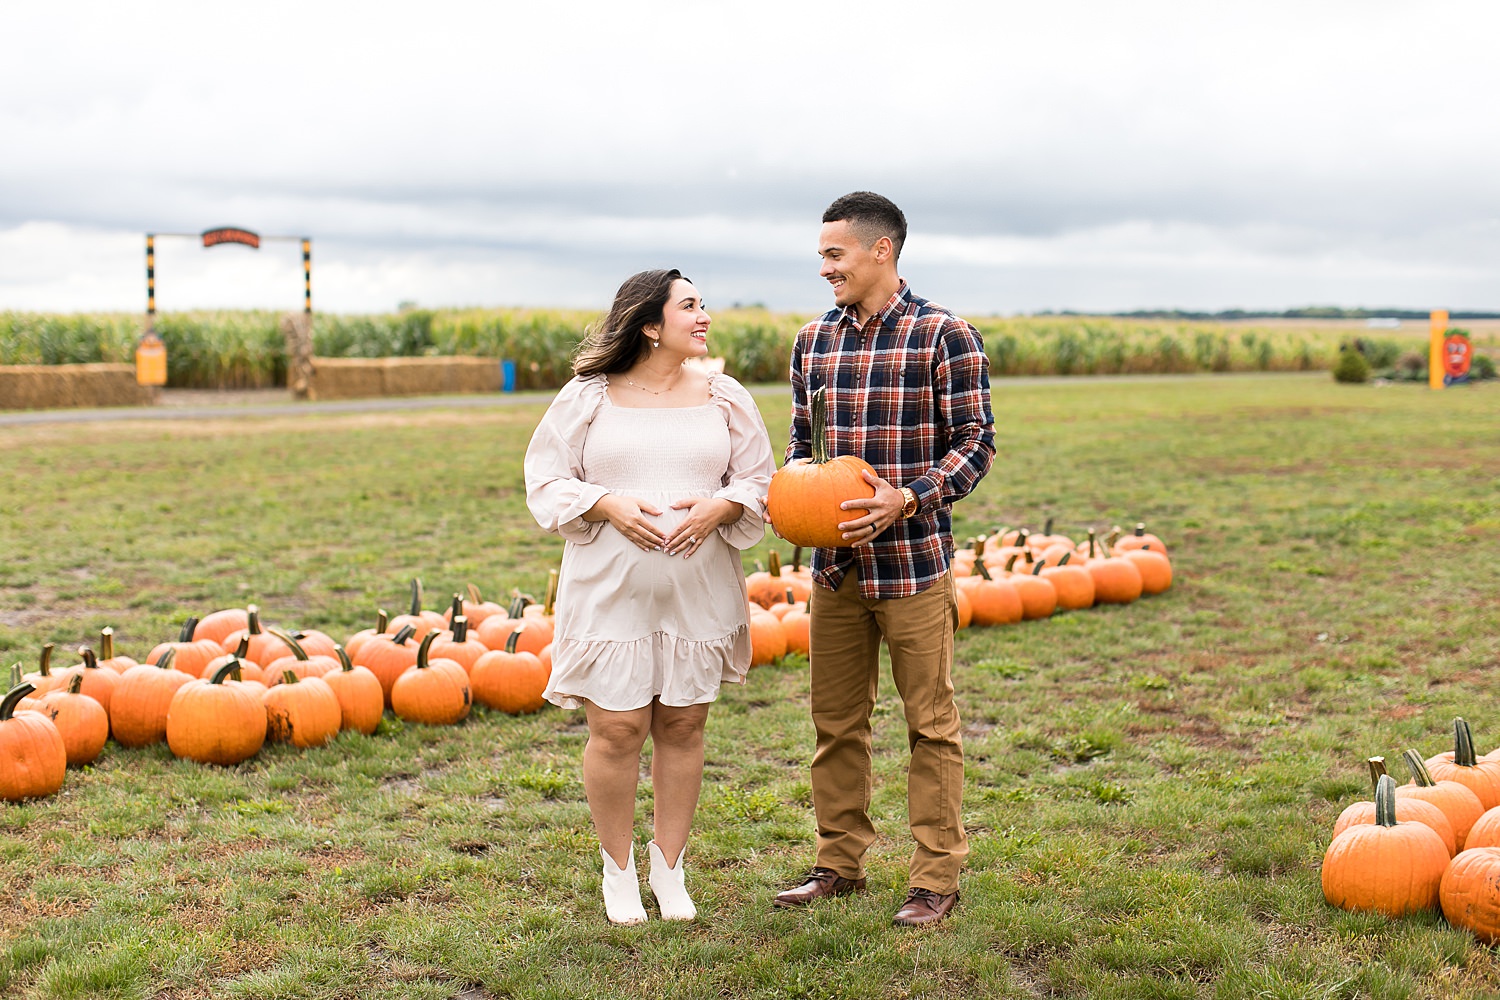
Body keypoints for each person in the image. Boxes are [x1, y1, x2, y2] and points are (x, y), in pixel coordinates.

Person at [524, 268, 776, 925]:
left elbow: (759, 480)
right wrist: (605, 501)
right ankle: (618, 872)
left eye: (703, 304)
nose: (705, 316)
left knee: (684, 724)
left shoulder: (725, 396)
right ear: (650, 323)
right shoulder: (588, 397)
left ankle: (670, 868)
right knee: (617, 728)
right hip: (611, 592)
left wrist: (722, 508)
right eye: (690, 305)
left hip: (697, 591)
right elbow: (545, 481)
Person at [770, 192, 995, 927]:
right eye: (822, 256)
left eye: (835, 255)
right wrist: (798, 496)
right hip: (834, 571)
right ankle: (839, 864)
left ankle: (935, 877)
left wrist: (909, 497)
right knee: (836, 723)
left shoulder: (943, 335)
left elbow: (975, 444)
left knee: (930, 723)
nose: (825, 268)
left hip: (913, 565)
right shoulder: (812, 342)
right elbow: (805, 445)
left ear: (880, 251)